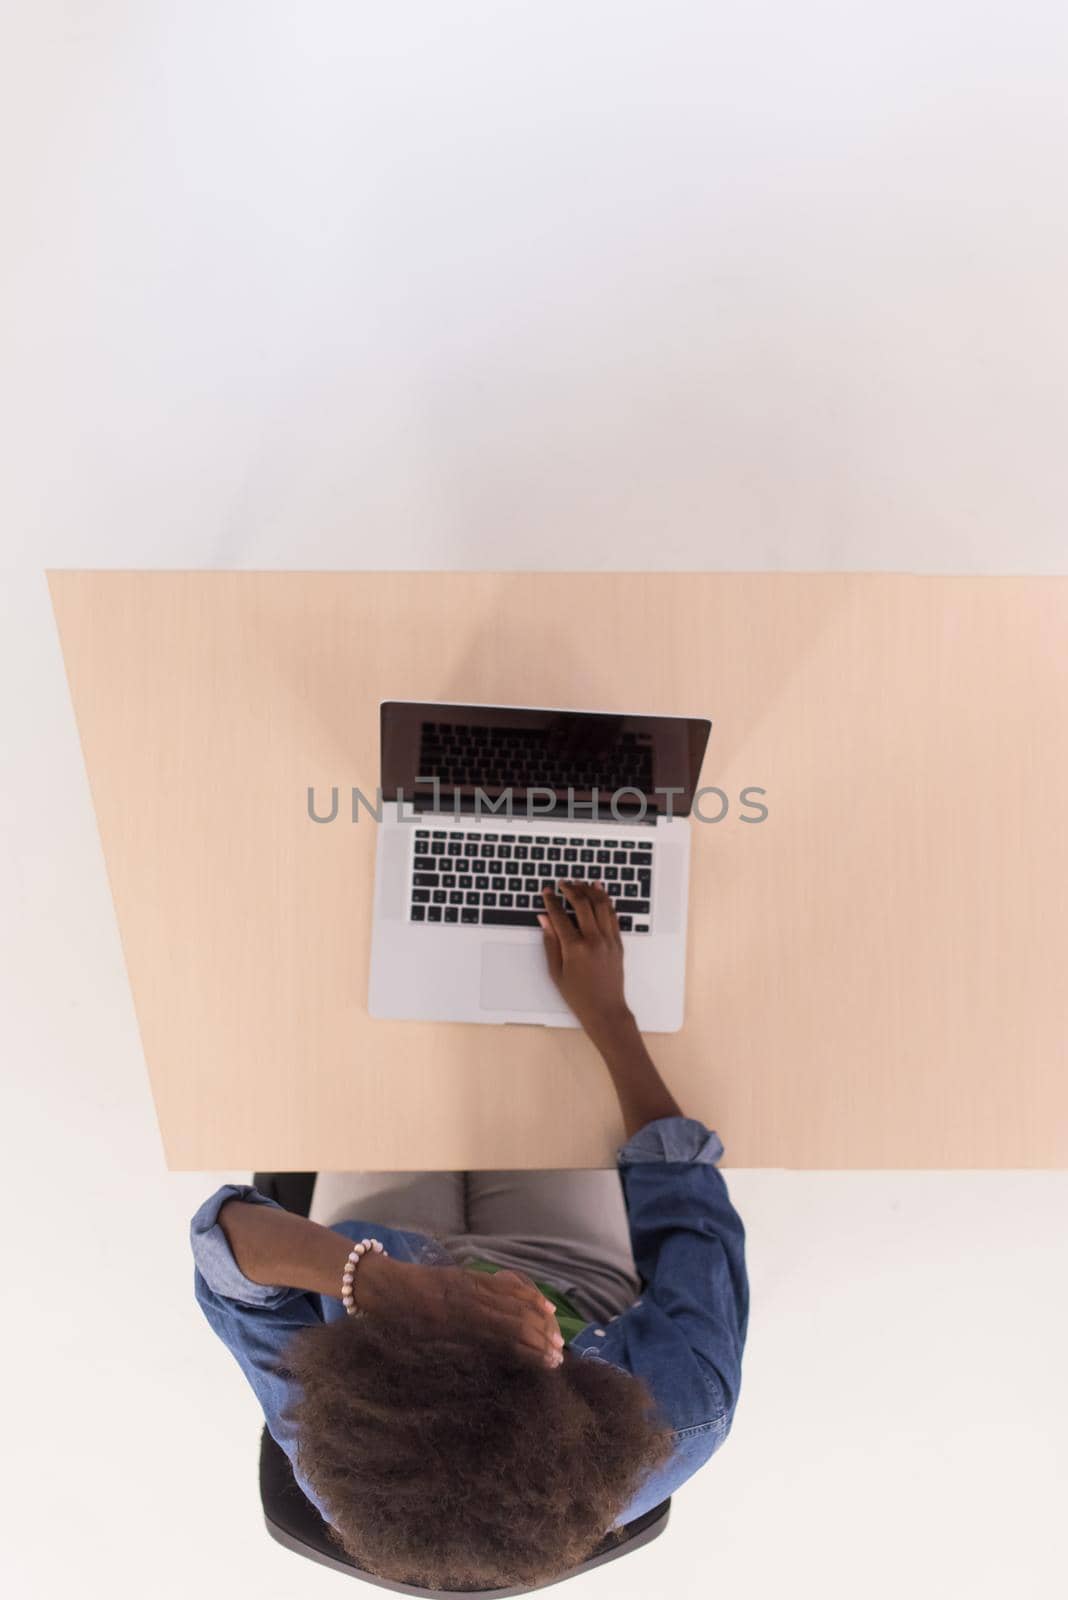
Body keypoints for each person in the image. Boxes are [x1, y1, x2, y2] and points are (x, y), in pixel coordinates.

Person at [191, 881, 748, 1592]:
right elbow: (687, 1207)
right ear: (576, 1396)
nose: (499, 1295)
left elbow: (223, 1251)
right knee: (527, 1039)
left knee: (376, 1000)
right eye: (523, 1338)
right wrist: (610, 1015)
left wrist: (381, 1280)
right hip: (574, 1261)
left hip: (373, 1246)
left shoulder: (331, 1442)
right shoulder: (680, 1412)